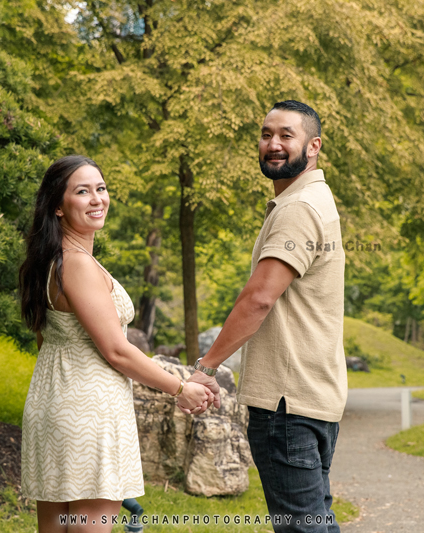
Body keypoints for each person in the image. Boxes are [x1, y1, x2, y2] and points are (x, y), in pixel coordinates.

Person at [19, 155, 214, 533]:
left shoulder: (49, 261)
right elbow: (116, 350)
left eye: (101, 188)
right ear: (58, 207)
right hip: (88, 415)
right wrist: (179, 388)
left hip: (54, 405)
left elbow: (49, 342)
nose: (97, 199)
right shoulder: (77, 264)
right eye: (82, 191)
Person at [185, 101, 347, 532]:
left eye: (286, 136)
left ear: (313, 146)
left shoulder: (297, 209)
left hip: (287, 402)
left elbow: (259, 299)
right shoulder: (313, 198)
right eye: (266, 134)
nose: (273, 144)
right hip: (311, 396)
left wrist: (206, 367)